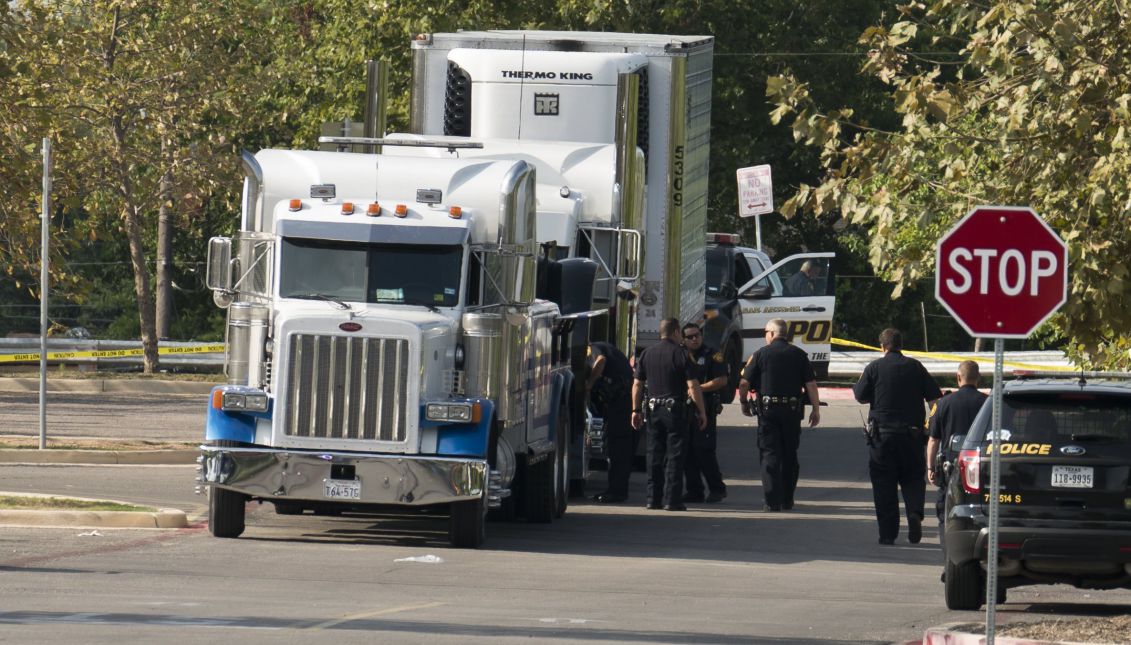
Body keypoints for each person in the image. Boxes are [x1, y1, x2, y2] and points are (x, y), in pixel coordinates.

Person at [853, 328, 942, 545]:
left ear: (882, 347)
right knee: (913, 478)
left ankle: (888, 534)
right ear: (901, 345)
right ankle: (914, 513)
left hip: (882, 438)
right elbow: (935, 401)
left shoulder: (874, 368)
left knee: (884, 483)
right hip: (911, 435)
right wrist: (930, 427)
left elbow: (860, 396)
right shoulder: (915, 367)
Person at [738, 318, 821, 512]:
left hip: (767, 412)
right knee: (789, 454)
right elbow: (810, 384)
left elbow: (743, 384)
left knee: (769, 454)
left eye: (765, 332)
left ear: (772, 333)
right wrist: (816, 409)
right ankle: (787, 499)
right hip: (792, 412)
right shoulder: (799, 355)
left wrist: (743, 403)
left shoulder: (759, 354)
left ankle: (772, 501)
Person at [631, 318, 707, 511]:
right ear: (675, 332)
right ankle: (672, 500)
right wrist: (701, 411)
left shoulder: (647, 354)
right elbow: (692, 385)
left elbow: (637, 384)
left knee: (654, 455)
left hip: (653, 410)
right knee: (675, 456)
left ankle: (652, 499)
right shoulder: (681, 354)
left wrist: (635, 410)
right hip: (675, 412)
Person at [926, 360, 986, 534]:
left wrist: (930, 468)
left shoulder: (944, 403)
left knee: (945, 509)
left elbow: (933, 440)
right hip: (979, 466)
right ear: (978, 378)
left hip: (950, 466)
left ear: (958, 377)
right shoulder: (987, 404)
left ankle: (949, 549)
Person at [680, 322, 728, 503]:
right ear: (683, 340)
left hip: (706, 408)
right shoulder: (681, 354)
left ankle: (717, 489)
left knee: (704, 450)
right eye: (690, 336)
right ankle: (695, 490)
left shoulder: (712, 354)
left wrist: (697, 389)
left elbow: (722, 380)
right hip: (685, 408)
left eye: (697, 335)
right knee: (687, 451)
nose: (695, 339)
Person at [586, 341, 635, 504]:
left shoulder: (594, 348)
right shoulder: (610, 349)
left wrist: (589, 385)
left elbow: (600, 361)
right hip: (622, 402)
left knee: (617, 449)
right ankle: (614, 490)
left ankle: (617, 492)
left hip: (621, 403)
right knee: (616, 449)